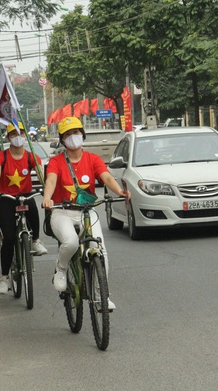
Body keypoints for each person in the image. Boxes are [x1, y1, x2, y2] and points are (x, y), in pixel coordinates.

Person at [41, 117, 129, 311]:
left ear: (83, 134)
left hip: (87, 212)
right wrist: (48, 198)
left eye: (77, 132)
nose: (74, 137)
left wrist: (119, 192)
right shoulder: (56, 162)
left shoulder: (92, 159)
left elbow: (106, 176)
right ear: (63, 140)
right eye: (69, 134)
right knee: (71, 242)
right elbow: (51, 181)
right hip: (61, 212)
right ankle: (61, 269)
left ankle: (101, 295)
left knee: (101, 250)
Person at [0, 122, 48, 294]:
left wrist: (46, 187)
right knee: (8, 238)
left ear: (26, 135)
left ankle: (35, 240)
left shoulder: (31, 156)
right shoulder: (1, 156)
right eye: (14, 134)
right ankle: (4, 277)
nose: (18, 137)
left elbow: (40, 173)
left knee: (34, 210)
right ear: (8, 138)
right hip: (6, 199)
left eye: (21, 133)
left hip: (25, 196)